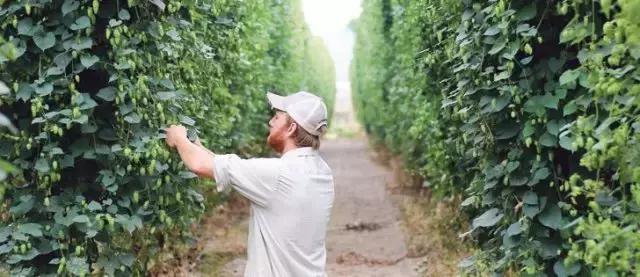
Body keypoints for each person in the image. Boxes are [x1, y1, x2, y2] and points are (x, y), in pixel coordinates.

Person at [164, 91, 335, 277]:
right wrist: (197, 147)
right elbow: (228, 167)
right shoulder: (322, 172)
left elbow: (199, 165)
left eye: (277, 117)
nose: (270, 122)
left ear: (291, 128)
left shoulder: (277, 175)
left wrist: (178, 137)